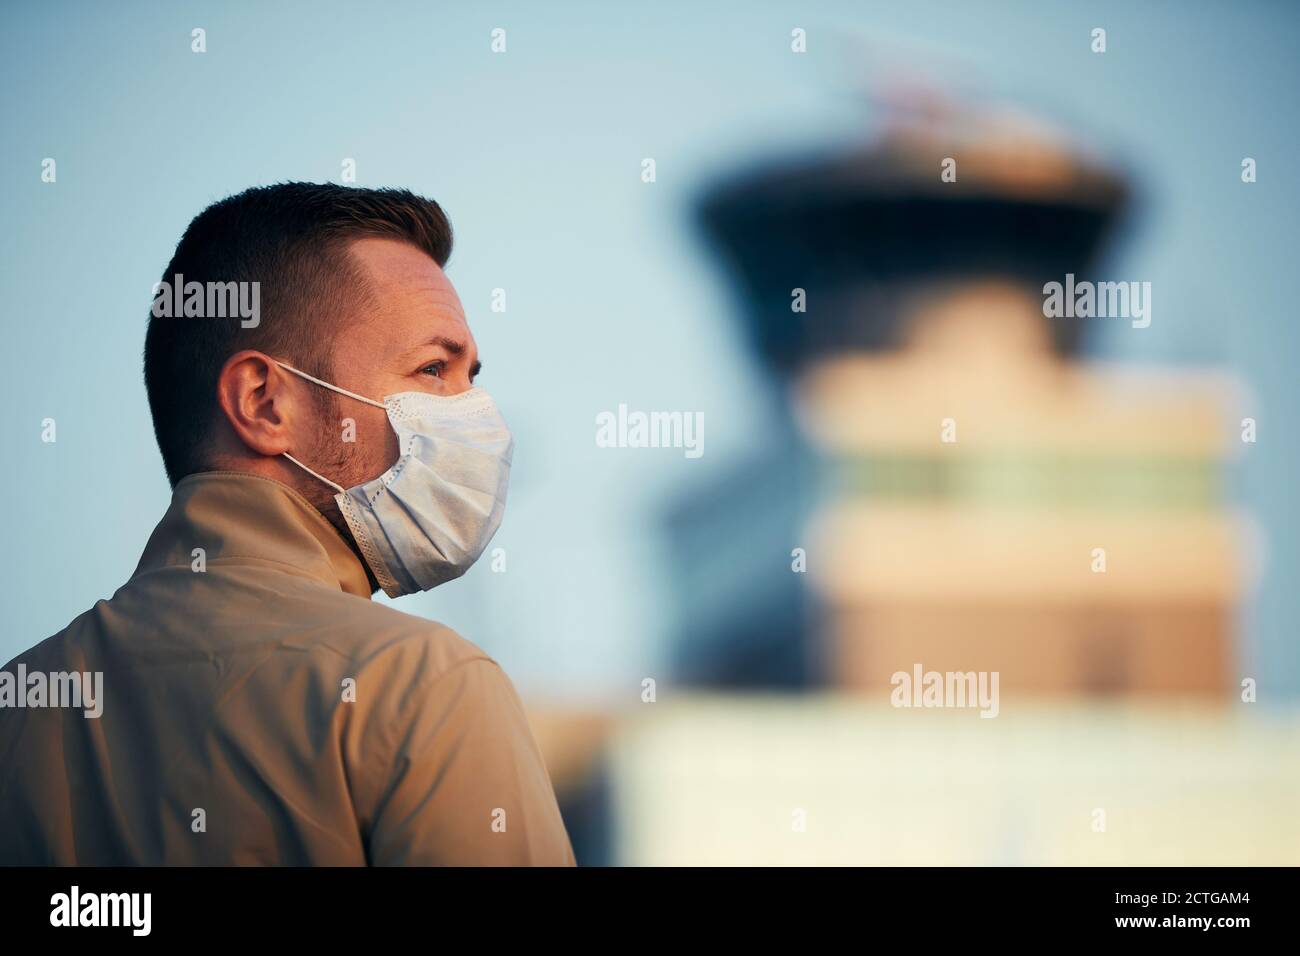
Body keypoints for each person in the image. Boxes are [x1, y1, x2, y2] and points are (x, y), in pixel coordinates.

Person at [0, 183, 576, 865]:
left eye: (470, 378)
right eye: (433, 370)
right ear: (264, 403)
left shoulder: (22, 708)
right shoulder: (425, 687)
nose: (481, 418)